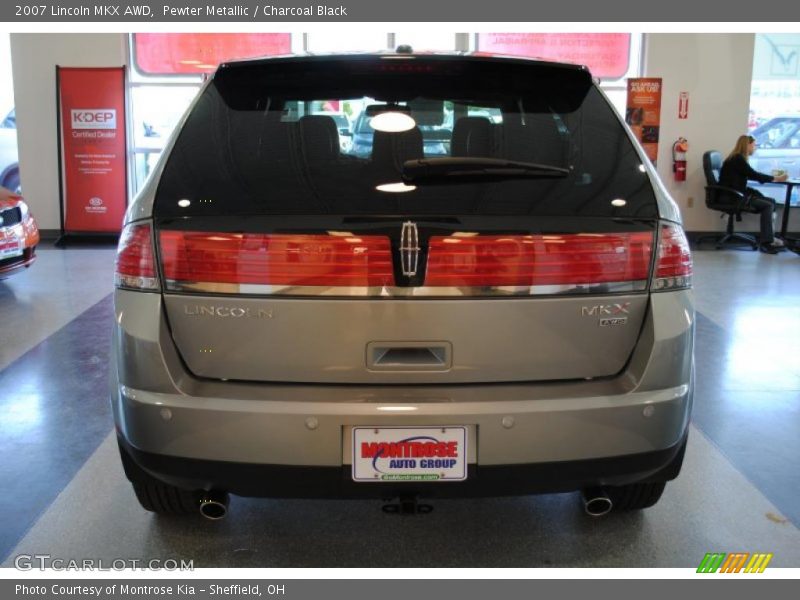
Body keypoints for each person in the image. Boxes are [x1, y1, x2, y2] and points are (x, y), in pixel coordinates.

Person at [719, 134, 788, 253]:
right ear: (747, 145)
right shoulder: (738, 159)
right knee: (768, 205)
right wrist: (776, 178)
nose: (754, 148)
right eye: (754, 145)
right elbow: (754, 175)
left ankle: (770, 237)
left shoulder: (736, 158)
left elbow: (748, 176)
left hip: (734, 194)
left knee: (770, 201)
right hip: (733, 197)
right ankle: (766, 242)